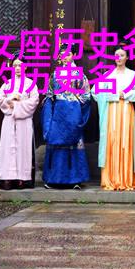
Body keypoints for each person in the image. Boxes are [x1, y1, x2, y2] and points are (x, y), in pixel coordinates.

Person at [91, 44, 135, 191]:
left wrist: (127, 94)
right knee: (112, 141)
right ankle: (110, 179)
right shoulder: (108, 75)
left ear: (127, 57)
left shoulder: (133, 75)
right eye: (117, 55)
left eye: (122, 55)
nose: (119, 58)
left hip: (127, 111)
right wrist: (114, 95)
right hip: (112, 112)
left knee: (126, 142)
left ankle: (126, 179)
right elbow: (95, 92)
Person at [41, 45, 91, 190]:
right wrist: (49, 114)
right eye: (62, 54)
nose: (64, 57)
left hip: (73, 114)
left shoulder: (80, 75)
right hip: (57, 115)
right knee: (56, 146)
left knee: (73, 146)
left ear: (74, 55)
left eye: (68, 54)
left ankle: (75, 180)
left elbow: (86, 96)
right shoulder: (54, 75)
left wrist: (76, 110)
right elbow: (49, 96)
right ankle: (53, 179)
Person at [0, 51, 39, 190]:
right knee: (7, 149)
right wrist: (10, 100)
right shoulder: (7, 84)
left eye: (21, 65)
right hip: (9, 120)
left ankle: (23, 178)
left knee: (23, 149)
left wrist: (18, 105)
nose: (18, 68)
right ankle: (7, 178)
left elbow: (34, 101)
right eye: (15, 66)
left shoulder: (31, 84)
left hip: (24, 121)